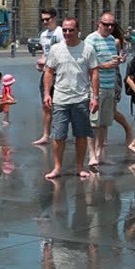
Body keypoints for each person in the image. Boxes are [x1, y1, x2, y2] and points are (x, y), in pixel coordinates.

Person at [43, 17, 99, 180]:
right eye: (65, 30)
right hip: (60, 99)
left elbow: (94, 73)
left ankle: (80, 167)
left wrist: (95, 97)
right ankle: (57, 168)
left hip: (81, 98)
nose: (67, 33)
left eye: (71, 30)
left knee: (81, 135)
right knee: (59, 136)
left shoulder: (87, 49)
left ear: (78, 31)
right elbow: (49, 71)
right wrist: (47, 93)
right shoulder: (56, 49)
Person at [84, 12, 128, 167]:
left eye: (112, 25)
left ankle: (100, 154)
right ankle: (92, 155)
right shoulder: (90, 40)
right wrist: (104, 66)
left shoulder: (111, 40)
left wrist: (119, 60)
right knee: (93, 123)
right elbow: (85, 63)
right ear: (99, 23)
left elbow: (112, 59)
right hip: (96, 87)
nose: (109, 28)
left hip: (110, 86)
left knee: (105, 123)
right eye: (106, 24)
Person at [32, 8, 64, 146]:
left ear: (55, 18)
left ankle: (61, 133)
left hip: (61, 73)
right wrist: (40, 63)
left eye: (47, 19)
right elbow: (45, 54)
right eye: (43, 20)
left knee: (61, 106)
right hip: (47, 74)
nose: (45, 22)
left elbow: (66, 52)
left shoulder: (62, 32)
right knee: (46, 105)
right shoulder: (44, 35)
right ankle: (46, 135)